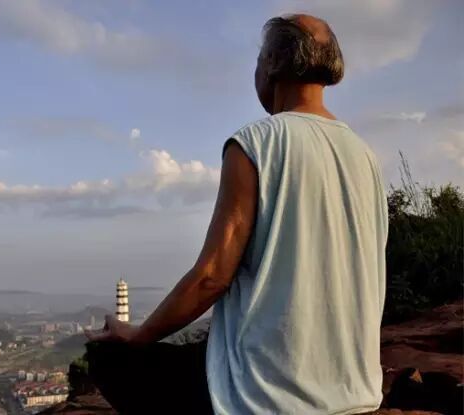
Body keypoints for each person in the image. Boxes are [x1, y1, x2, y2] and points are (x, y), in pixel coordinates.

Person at [85, 13, 388, 415]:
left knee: (106, 358)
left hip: (265, 393)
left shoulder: (255, 143)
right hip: (356, 389)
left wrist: (138, 334)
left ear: (272, 64)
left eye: (260, 59)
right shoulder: (366, 156)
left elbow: (212, 277)